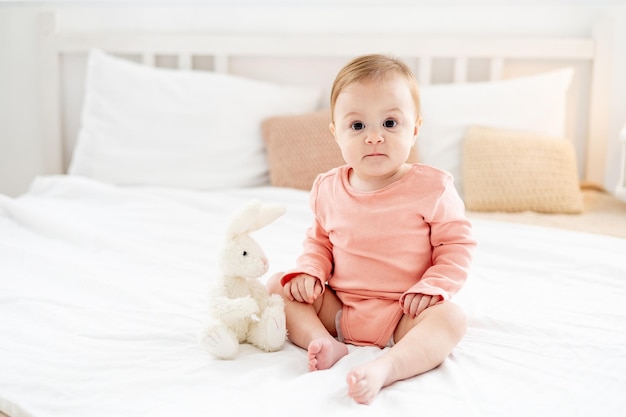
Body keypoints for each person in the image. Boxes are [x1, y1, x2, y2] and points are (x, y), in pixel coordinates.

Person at [266, 54, 476, 405]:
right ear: (336, 133)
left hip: (403, 313)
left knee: (452, 319)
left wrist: (434, 286)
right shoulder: (327, 187)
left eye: (390, 123)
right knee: (278, 285)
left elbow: (456, 246)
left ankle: (388, 366)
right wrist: (309, 272)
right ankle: (325, 343)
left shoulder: (432, 187)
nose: (375, 137)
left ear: (415, 128)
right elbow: (319, 242)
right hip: (340, 309)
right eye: (358, 126)